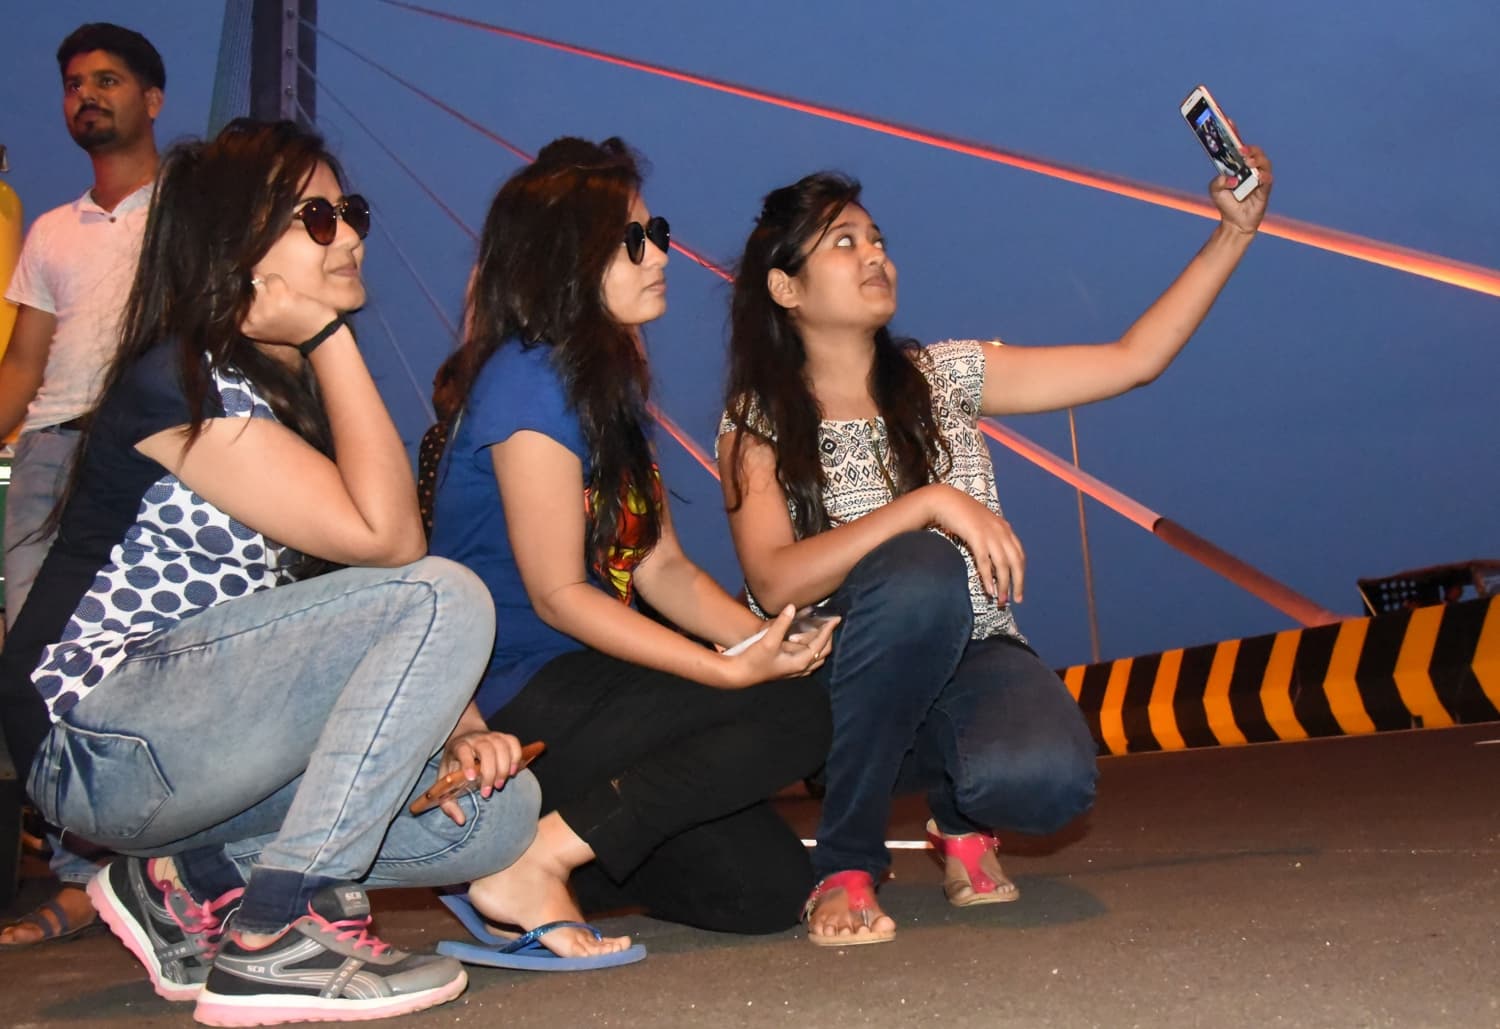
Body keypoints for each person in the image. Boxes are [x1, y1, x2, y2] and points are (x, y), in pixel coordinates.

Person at [0, 118, 548, 1026]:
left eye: (352, 210)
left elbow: (350, 608)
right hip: (99, 737)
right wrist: (333, 334)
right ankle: (281, 932)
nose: (354, 234)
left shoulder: (286, 399)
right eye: (318, 217)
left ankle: (184, 883)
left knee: (498, 811)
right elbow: (391, 548)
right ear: (236, 246)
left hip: (196, 751)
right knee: (446, 588)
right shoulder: (176, 380)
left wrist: (461, 726)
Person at [717, 147, 1274, 945]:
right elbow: (773, 582)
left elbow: (1132, 360)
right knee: (921, 568)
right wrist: (928, 504)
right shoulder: (759, 419)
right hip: (843, 675)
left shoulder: (946, 377)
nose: (875, 253)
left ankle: (960, 816)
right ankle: (844, 860)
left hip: (975, 653)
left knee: (1047, 782)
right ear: (785, 287)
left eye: (877, 238)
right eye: (843, 241)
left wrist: (1233, 233)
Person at [427, 136, 837, 950]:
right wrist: (727, 671)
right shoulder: (528, 377)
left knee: (766, 891)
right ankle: (536, 858)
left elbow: (663, 565)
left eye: (659, 232)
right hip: (519, 687)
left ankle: (527, 844)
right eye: (636, 239)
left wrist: (763, 641)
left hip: (588, 690)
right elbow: (557, 593)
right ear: (565, 257)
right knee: (802, 708)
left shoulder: (600, 388)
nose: (663, 253)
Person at [0, 21, 165, 953]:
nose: (85, 96)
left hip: (149, 450)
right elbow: (24, 364)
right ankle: (80, 877)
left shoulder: (191, 212)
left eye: (107, 79)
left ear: (153, 99)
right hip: (49, 454)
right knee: (38, 672)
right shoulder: (53, 231)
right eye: (72, 83)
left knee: (147, 663)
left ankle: (158, 866)